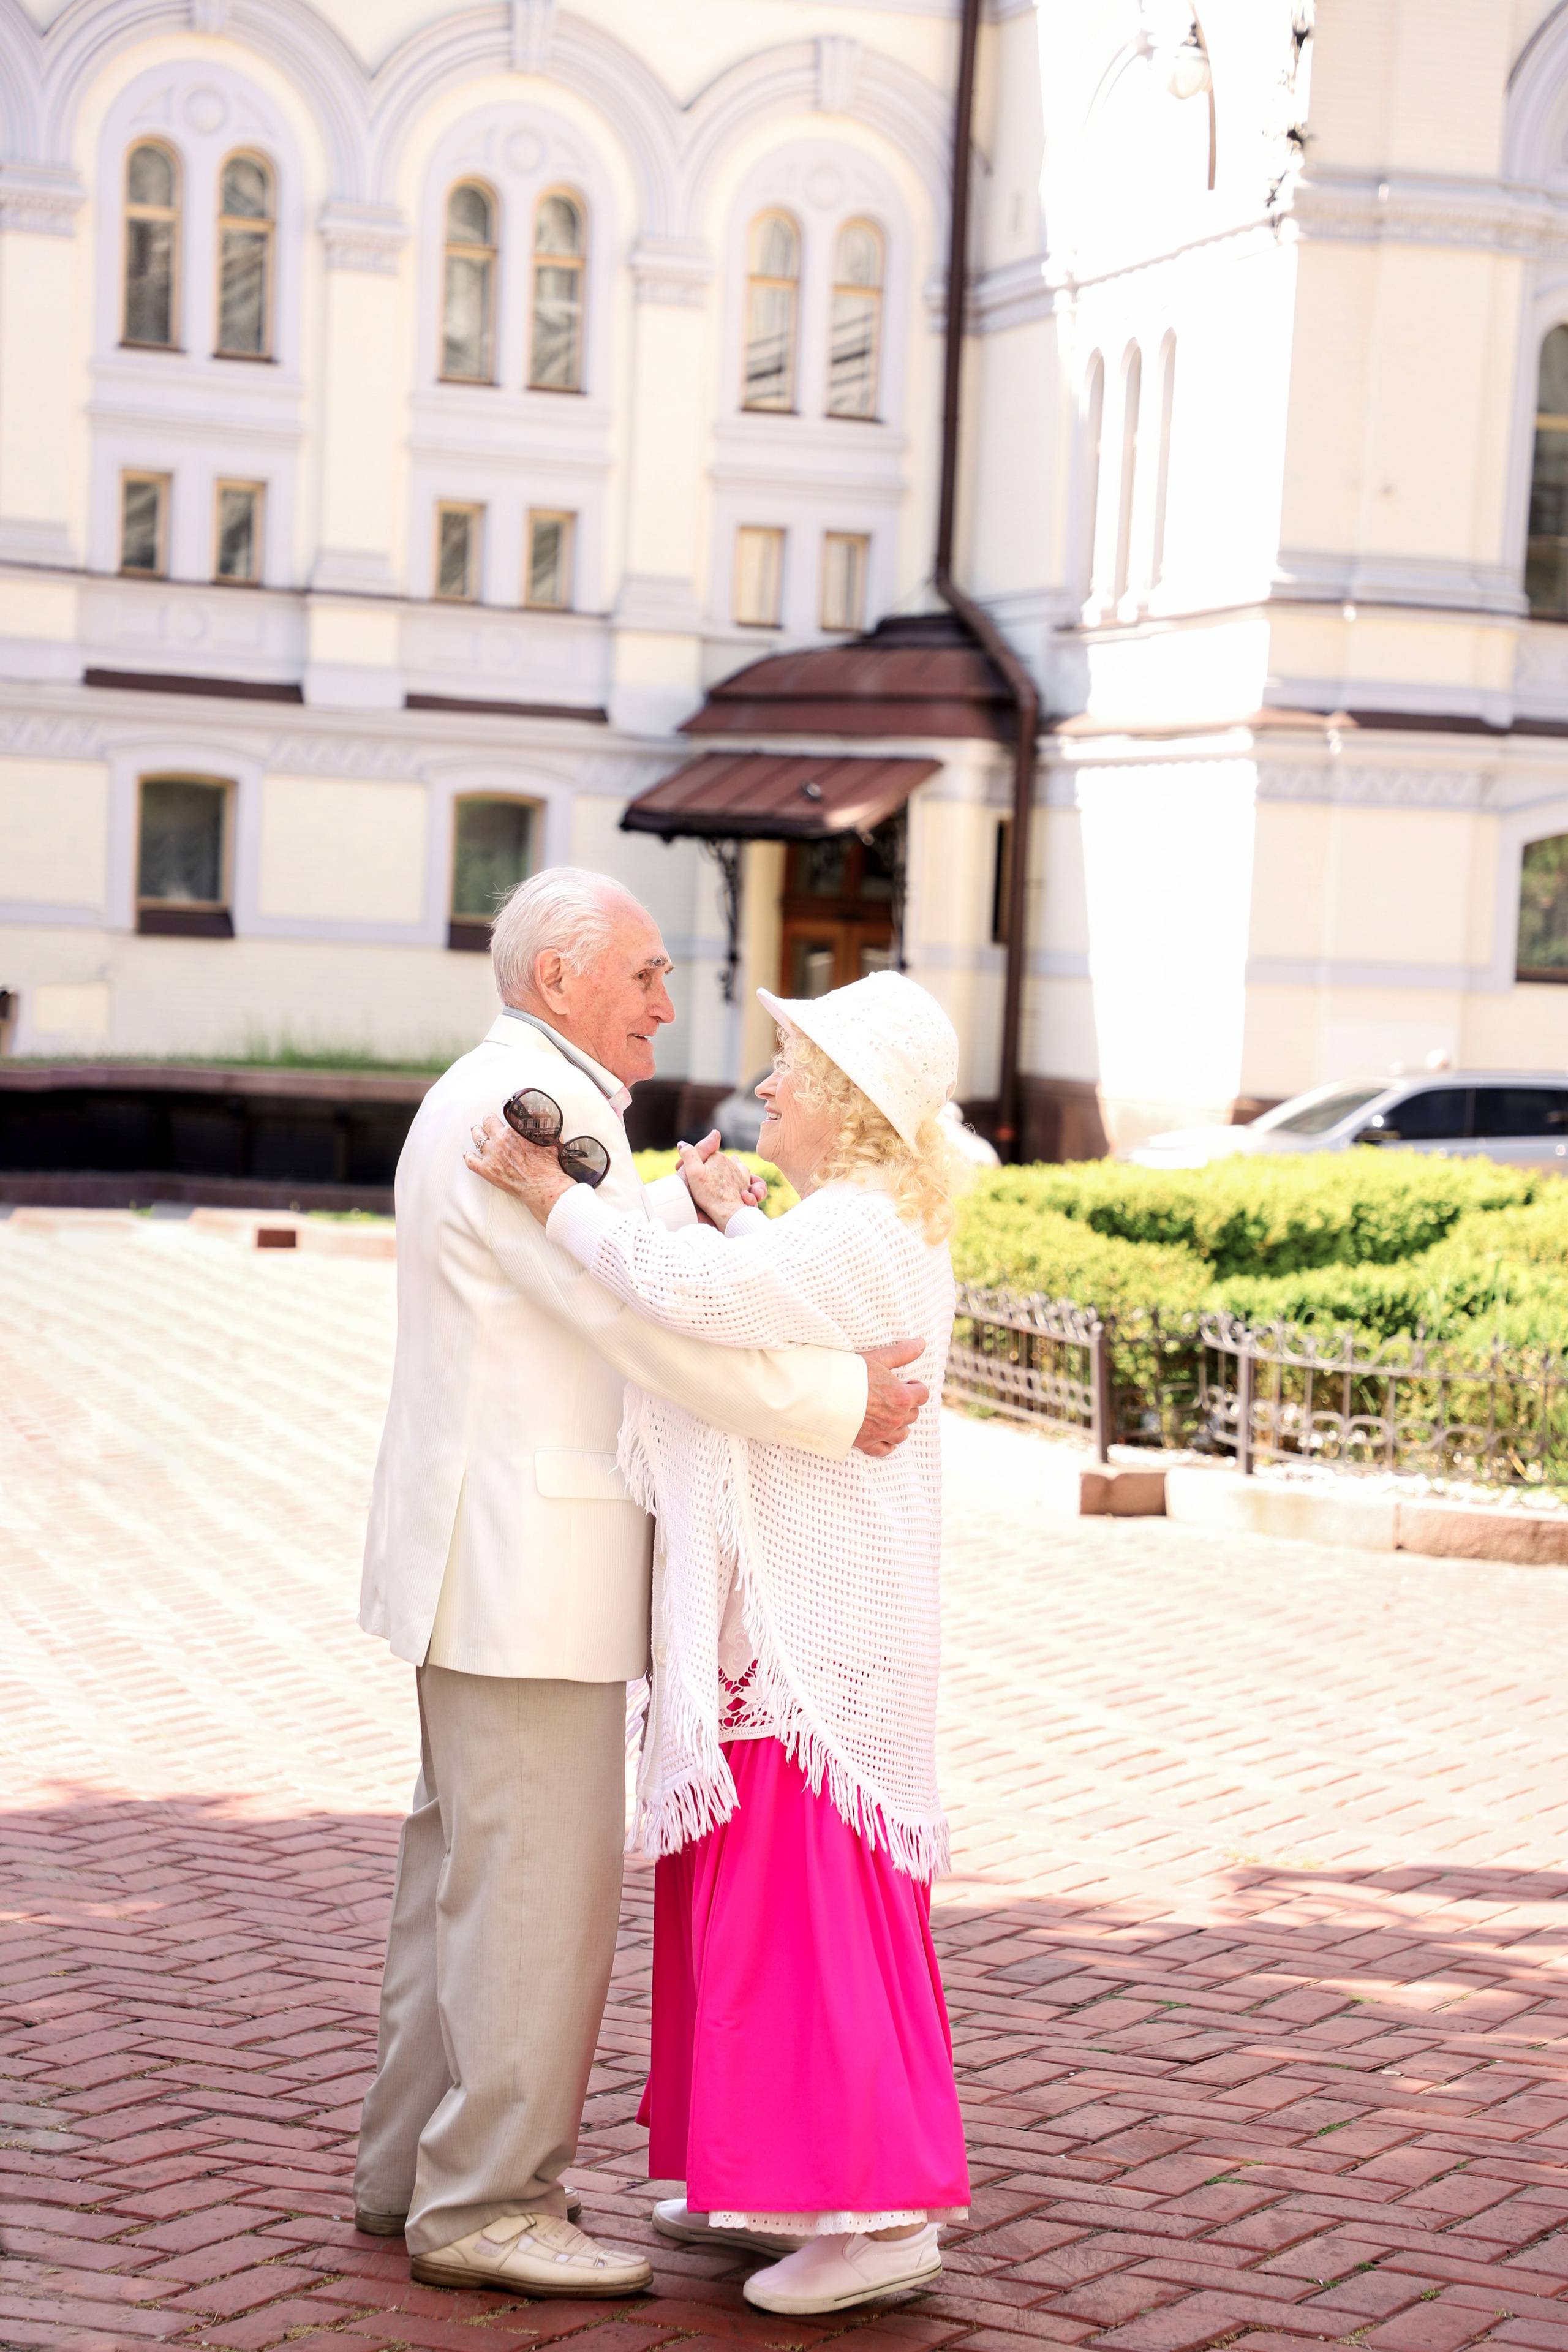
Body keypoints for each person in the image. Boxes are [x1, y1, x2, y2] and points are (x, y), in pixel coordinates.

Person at [354, 870, 930, 2301]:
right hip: (527, 1571)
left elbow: (603, 1256)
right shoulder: (530, 1112)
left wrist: (673, 1197)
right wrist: (842, 1401)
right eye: (645, 974)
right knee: (529, 1903)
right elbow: (640, 1325)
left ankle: (410, 2173)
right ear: (559, 979)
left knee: (461, 1884)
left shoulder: (498, 1092)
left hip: (482, 1560)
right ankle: (488, 2203)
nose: (669, 1005)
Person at [465, 967, 972, 2316]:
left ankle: (880, 2220)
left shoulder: (857, 1226)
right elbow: (767, 1297)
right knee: (771, 1916)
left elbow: (691, 1298)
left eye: (792, 1068)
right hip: (795, 1632)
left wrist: (555, 1194)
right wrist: (729, 1212)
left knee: (812, 1927)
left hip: (813, 1642)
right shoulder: (855, 1222)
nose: (766, 1087)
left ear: (848, 1105)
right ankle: (788, 2186)